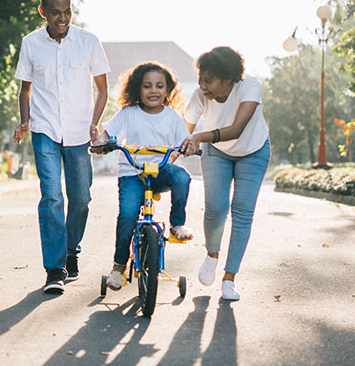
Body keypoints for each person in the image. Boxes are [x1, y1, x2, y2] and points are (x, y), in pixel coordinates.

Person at [13, 0, 110, 294]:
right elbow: (25, 89)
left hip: (80, 132)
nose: (63, 18)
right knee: (52, 197)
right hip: (44, 131)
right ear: (43, 12)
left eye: (67, 11)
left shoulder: (88, 41)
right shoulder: (30, 44)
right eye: (55, 13)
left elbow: (103, 89)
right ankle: (55, 269)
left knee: (81, 199)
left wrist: (95, 123)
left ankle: (71, 252)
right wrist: (25, 120)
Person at [93, 62, 193, 291]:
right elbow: (106, 135)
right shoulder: (128, 113)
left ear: (168, 90)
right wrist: (101, 143)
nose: (154, 91)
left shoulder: (172, 116)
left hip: (160, 171)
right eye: (147, 86)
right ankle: (119, 266)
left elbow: (185, 141)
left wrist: (188, 147)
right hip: (132, 173)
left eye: (159, 86)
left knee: (182, 177)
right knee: (128, 215)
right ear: (138, 89)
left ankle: (177, 224)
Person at [181, 46, 270, 301]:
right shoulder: (200, 95)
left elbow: (237, 129)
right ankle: (212, 254)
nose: (202, 85)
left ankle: (229, 278)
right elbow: (182, 130)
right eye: (200, 78)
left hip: (253, 150)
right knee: (216, 207)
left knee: (242, 211)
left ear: (228, 78)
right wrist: (169, 154)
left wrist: (199, 136)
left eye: (208, 80)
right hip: (217, 152)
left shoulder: (249, 87)